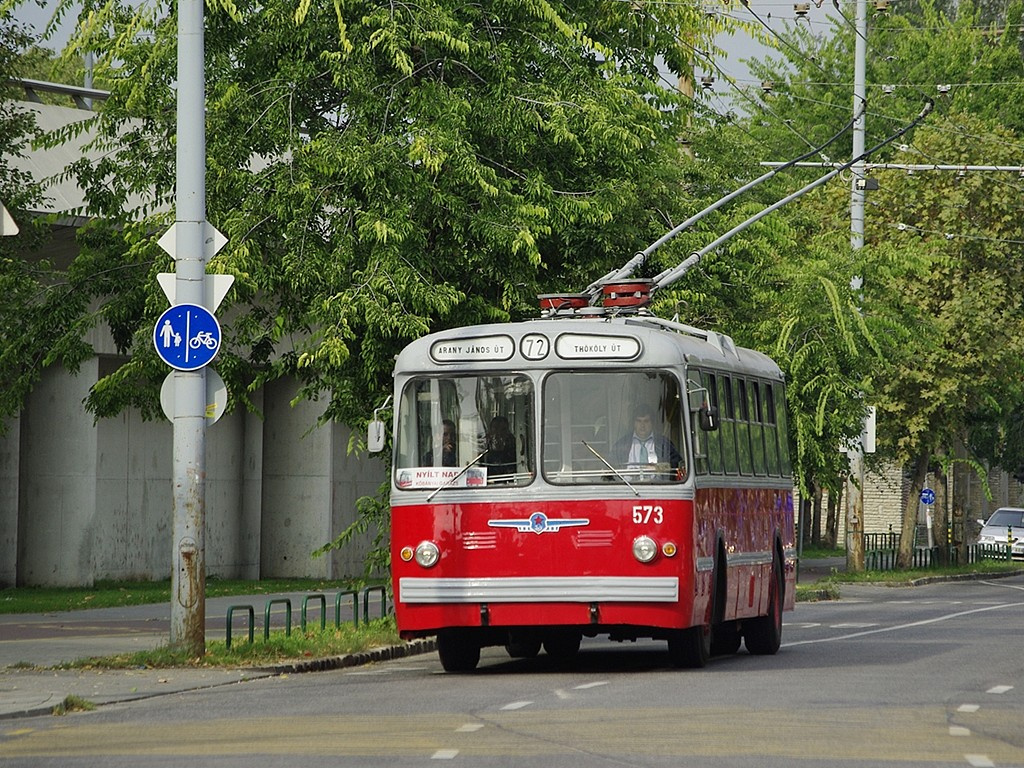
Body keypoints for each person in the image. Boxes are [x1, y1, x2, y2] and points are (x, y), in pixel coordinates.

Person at [611, 405, 682, 471]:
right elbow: (611, 466)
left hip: (657, 483)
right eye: (639, 421)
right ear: (633, 423)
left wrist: (658, 467)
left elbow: (677, 464)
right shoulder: (621, 444)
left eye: (646, 421)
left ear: (652, 423)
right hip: (627, 483)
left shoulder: (664, 444)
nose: (642, 425)